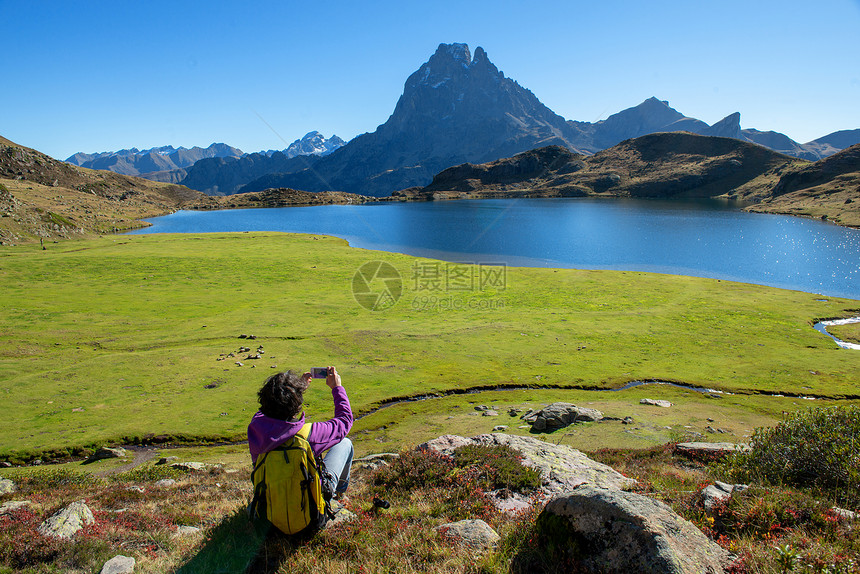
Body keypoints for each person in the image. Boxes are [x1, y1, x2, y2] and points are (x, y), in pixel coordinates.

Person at [247, 365, 354, 503]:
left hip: (269, 507)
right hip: (307, 509)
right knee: (345, 444)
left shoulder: (256, 429)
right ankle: (338, 495)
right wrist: (337, 388)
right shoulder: (307, 434)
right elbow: (344, 422)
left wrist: (296, 390)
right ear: (296, 406)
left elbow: (265, 410)